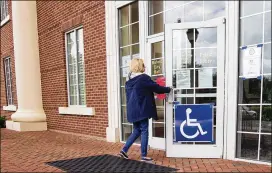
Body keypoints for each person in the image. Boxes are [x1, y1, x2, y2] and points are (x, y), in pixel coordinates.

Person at [118, 58, 171, 162]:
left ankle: (124, 150)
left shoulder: (128, 81)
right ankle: (143, 155)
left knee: (137, 130)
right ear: (140, 66)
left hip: (132, 110)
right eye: (143, 64)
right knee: (144, 130)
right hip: (141, 109)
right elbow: (156, 88)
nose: (145, 66)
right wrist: (168, 89)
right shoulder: (143, 78)